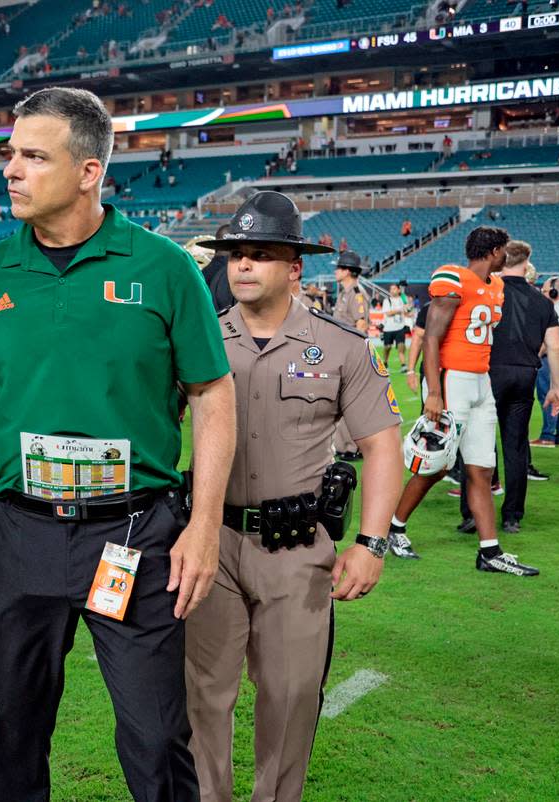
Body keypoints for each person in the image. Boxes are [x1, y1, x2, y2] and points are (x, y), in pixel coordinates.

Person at [0, 86, 236, 802]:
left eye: (33, 156)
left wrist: (205, 523)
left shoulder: (164, 268)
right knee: (18, 728)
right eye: (10, 155)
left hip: (135, 534)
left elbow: (214, 394)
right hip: (23, 531)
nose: (10, 171)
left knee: (155, 736)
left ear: (89, 171)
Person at [188, 190, 402, 802]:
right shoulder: (201, 338)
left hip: (298, 548)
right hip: (213, 542)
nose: (244, 266)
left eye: (261, 254)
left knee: (290, 695)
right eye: (236, 255)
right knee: (204, 693)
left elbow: (382, 446)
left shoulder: (342, 347)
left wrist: (371, 542)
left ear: (294, 267)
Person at [387, 227, 549, 575]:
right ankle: (394, 528)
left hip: (482, 382)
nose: (506, 256)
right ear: (492, 251)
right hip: (454, 381)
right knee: (437, 463)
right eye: (503, 250)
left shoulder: (498, 286)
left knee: (481, 469)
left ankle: (489, 552)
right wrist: (433, 391)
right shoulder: (453, 278)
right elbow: (432, 337)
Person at [455, 245, 559, 534]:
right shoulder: (543, 303)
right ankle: (512, 516)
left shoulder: (489, 292)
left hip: (489, 373)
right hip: (524, 376)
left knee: (476, 445)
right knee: (516, 447)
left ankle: (472, 514)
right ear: (527, 263)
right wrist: (557, 387)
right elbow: (554, 347)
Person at [331, 250, 369, 459]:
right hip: (341, 352)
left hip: (350, 354)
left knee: (350, 403)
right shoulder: (345, 293)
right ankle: (345, 445)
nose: (336, 271)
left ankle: (354, 447)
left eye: (339, 267)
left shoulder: (356, 293)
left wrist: (353, 356)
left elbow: (360, 325)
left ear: (347, 271)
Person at [532, 277, 559, 448]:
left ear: (553, 292)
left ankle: (548, 436)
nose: (542, 294)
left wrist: (536, 355)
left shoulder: (557, 308)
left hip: (553, 359)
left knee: (547, 396)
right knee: (558, 396)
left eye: (544, 291)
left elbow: (549, 338)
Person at [380, 283, 408, 369]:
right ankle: (385, 363)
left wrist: (406, 308)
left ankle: (403, 365)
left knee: (401, 346)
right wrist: (400, 310)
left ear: (398, 290)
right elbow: (388, 313)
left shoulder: (402, 299)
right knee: (387, 347)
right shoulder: (387, 300)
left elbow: (407, 311)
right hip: (388, 328)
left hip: (400, 327)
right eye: (391, 289)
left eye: (394, 289)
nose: (392, 290)